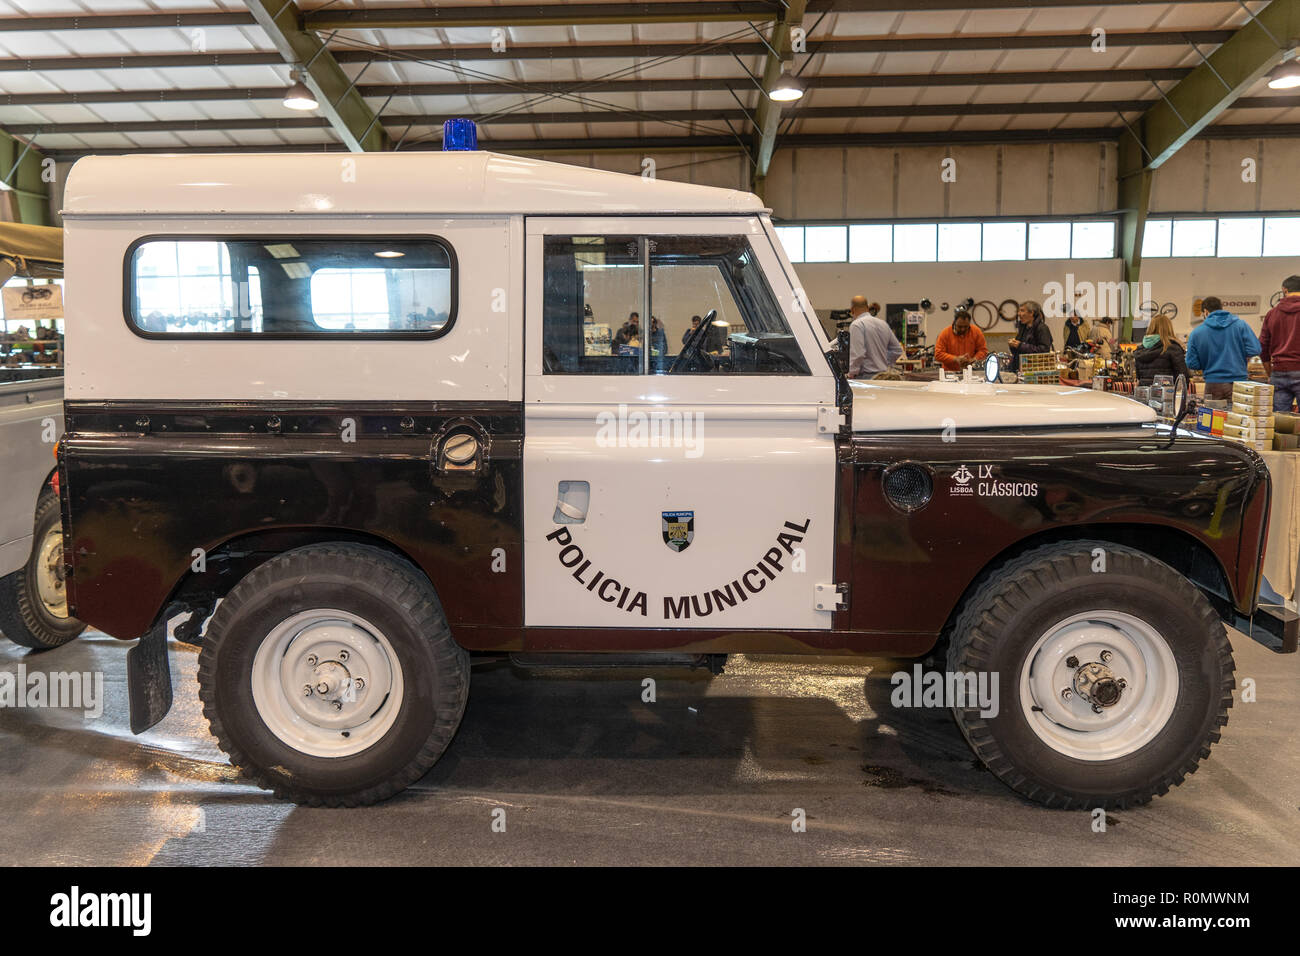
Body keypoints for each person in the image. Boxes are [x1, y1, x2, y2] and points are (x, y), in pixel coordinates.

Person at [1186, 295, 1261, 401]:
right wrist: (1238, 354)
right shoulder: (1241, 325)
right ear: (1221, 308)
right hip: (1238, 383)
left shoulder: (1196, 333)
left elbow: (1192, 364)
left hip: (1213, 384)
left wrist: (1207, 363)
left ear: (1206, 312)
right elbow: (1255, 349)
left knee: (1213, 416)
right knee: (1237, 416)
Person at [1260, 275, 1300, 412]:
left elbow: (1262, 347)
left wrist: (1270, 373)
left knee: (1280, 422)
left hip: (1279, 371)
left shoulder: (1272, 314)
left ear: (1284, 290)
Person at [847, 294, 903, 379]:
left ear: (852, 310)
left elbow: (858, 354)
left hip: (864, 377)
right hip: (883, 376)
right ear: (867, 308)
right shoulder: (883, 323)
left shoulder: (856, 325)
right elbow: (897, 350)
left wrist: (851, 373)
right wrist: (884, 363)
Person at [1132, 313, 1189, 386]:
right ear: (1169, 328)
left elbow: (1138, 377)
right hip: (1166, 393)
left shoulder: (1140, 350)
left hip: (1144, 392)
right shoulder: (1173, 348)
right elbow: (1182, 378)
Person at [933, 308, 988, 373]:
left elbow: (983, 350)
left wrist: (973, 359)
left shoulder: (976, 332)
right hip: (949, 374)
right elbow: (938, 354)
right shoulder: (945, 333)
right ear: (954, 322)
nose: (962, 329)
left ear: (969, 324)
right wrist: (955, 359)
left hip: (971, 372)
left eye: (966, 327)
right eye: (959, 326)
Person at [1008, 300, 1053, 372]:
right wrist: (1013, 346)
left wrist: (1020, 345)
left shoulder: (1042, 328)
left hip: (1036, 370)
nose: (1019, 314)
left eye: (1022, 311)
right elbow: (1018, 352)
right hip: (1021, 368)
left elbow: (1044, 350)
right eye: (1019, 311)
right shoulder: (1023, 328)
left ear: (1031, 313)